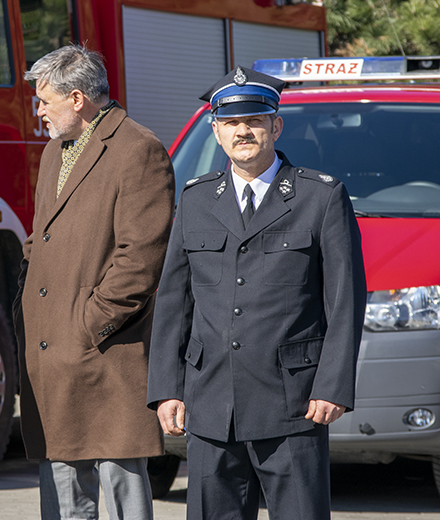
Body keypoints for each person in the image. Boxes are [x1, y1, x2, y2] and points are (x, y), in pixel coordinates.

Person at [147, 66, 367, 520]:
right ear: (215, 131)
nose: (242, 131)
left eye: (254, 121)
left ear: (276, 126)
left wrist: (332, 386)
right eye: (230, 123)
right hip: (210, 407)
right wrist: (167, 388)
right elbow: (174, 301)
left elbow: (345, 301)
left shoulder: (319, 197)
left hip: (292, 404)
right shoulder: (195, 199)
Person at [14, 45, 175, 519]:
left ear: (78, 98)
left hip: (104, 352)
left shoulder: (138, 149)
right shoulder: (53, 151)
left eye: (45, 101)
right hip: (53, 354)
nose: (38, 111)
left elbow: (141, 257)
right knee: (63, 493)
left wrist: (89, 323)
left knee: (121, 482)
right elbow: (42, 235)